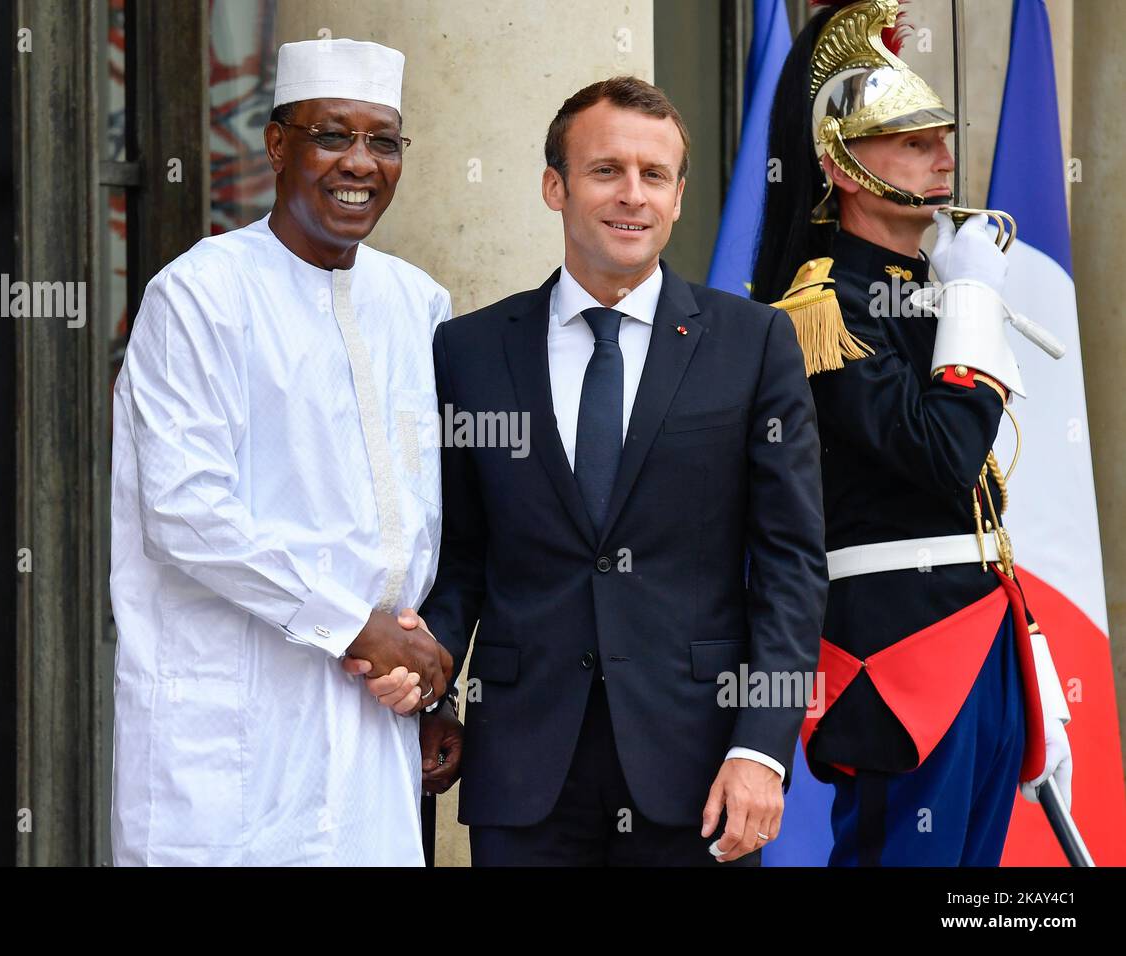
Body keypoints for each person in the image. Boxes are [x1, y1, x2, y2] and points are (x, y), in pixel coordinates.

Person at [371, 76, 828, 866]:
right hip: (521, 770)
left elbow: (791, 568)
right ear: (556, 185)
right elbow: (459, 556)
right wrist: (429, 686)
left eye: (655, 175)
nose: (633, 196)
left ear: (680, 196)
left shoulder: (752, 345)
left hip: (700, 771)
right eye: (606, 170)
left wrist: (760, 748)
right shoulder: (470, 351)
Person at [109, 37, 456, 865]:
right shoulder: (198, 294)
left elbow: (427, 520)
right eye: (332, 135)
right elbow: (184, 513)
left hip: (371, 726)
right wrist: (352, 624)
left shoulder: (418, 304)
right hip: (229, 735)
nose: (359, 164)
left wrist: (427, 674)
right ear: (277, 144)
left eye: (382, 141)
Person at [752, 0, 1072, 866]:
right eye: (913, 141)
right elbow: (941, 454)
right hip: (893, 652)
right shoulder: (819, 310)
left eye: (942, 136)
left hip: (981, 634)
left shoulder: (926, 284)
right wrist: (971, 305)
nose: (945, 158)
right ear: (845, 165)